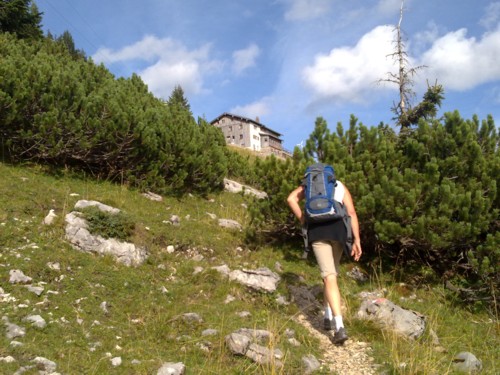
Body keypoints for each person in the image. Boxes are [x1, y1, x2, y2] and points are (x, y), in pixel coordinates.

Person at [287, 174, 362, 345]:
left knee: (328, 276)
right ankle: (327, 315)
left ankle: (339, 326)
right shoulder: (338, 185)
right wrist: (356, 240)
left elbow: (291, 199)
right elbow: (351, 212)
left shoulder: (309, 186)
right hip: (339, 232)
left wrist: (303, 220)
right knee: (331, 274)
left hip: (318, 232)